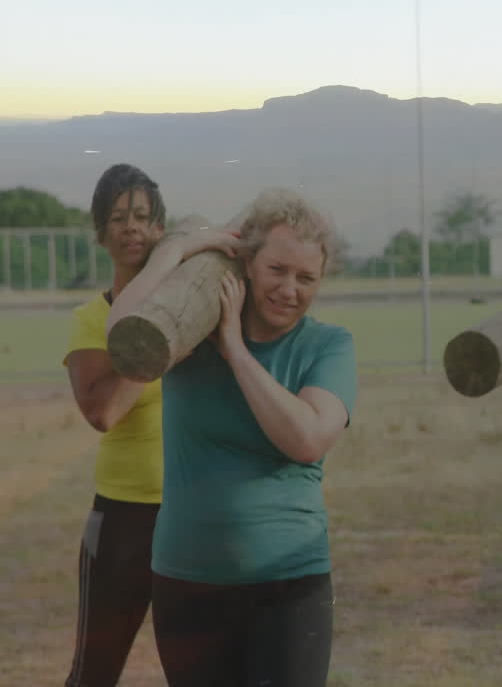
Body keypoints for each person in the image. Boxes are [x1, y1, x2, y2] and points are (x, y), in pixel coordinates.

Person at [106, 188, 356, 687]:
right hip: (185, 580)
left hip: (289, 586)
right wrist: (178, 251)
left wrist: (236, 351)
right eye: (277, 270)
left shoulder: (329, 346)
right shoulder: (188, 332)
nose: (289, 289)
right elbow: (123, 335)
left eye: (306, 278)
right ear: (246, 264)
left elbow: (306, 438)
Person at [63, 164, 169, 687]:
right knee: (94, 675)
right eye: (119, 218)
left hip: (193, 519)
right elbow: (102, 411)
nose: (132, 228)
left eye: (144, 217)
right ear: (102, 233)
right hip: (124, 519)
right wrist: (162, 341)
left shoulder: (191, 311)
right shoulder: (90, 318)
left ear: (160, 230)